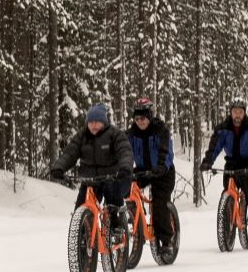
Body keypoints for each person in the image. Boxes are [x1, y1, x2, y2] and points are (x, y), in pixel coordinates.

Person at [48, 103, 134, 232]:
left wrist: (125, 168)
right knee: (80, 209)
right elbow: (69, 153)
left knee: (112, 198)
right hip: (89, 180)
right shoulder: (82, 136)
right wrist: (58, 168)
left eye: (97, 122)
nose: (93, 125)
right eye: (90, 122)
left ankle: (117, 224)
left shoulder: (115, 134)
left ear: (104, 122)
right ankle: (82, 240)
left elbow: (125, 152)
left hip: (110, 177)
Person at [199, 98, 248, 218]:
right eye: (235, 112)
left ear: (244, 113)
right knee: (227, 187)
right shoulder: (223, 128)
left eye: (240, 112)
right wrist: (207, 162)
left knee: (247, 185)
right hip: (231, 162)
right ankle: (228, 220)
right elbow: (214, 147)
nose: (237, 115)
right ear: (231, 112)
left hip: (247, 163)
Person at [127, 98, 177, 248]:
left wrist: (161, 166)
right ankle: (133, 220)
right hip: (143, 171)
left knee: (159, 205)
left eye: (143, 118)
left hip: (163, 172)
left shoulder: (160, 130)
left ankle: (167, 241)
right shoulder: (131, 134)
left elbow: (166, 151)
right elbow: (123, 152)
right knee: (126, 188)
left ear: (149, 116)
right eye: (137, 119)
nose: (140, 122)